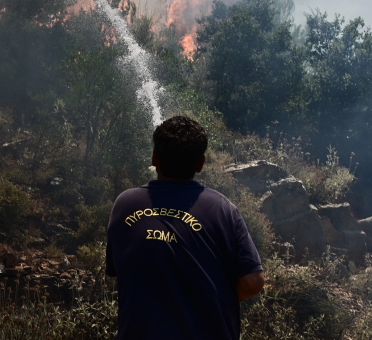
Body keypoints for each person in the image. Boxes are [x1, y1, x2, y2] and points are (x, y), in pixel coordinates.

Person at [106, 115, 264, 340]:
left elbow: (120, 269)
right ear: (200, 164)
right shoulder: (222, 209)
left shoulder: (125, 204)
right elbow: (252, 282)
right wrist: (206, 299)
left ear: (154, 157)